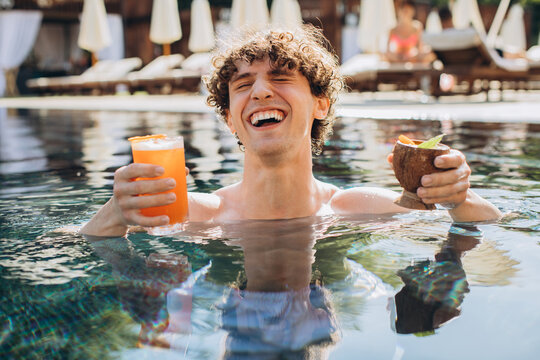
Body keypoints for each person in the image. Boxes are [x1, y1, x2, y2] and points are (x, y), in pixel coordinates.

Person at [79, 24, 501, 238]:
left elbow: (494, 227)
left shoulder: (355, 207)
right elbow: (66, 245)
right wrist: (116, 212)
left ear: (321, 103)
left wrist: (459, 196)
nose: (260, 92)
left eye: (281, 78)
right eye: (243, 86)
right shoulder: (193, 212)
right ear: (230, 117)